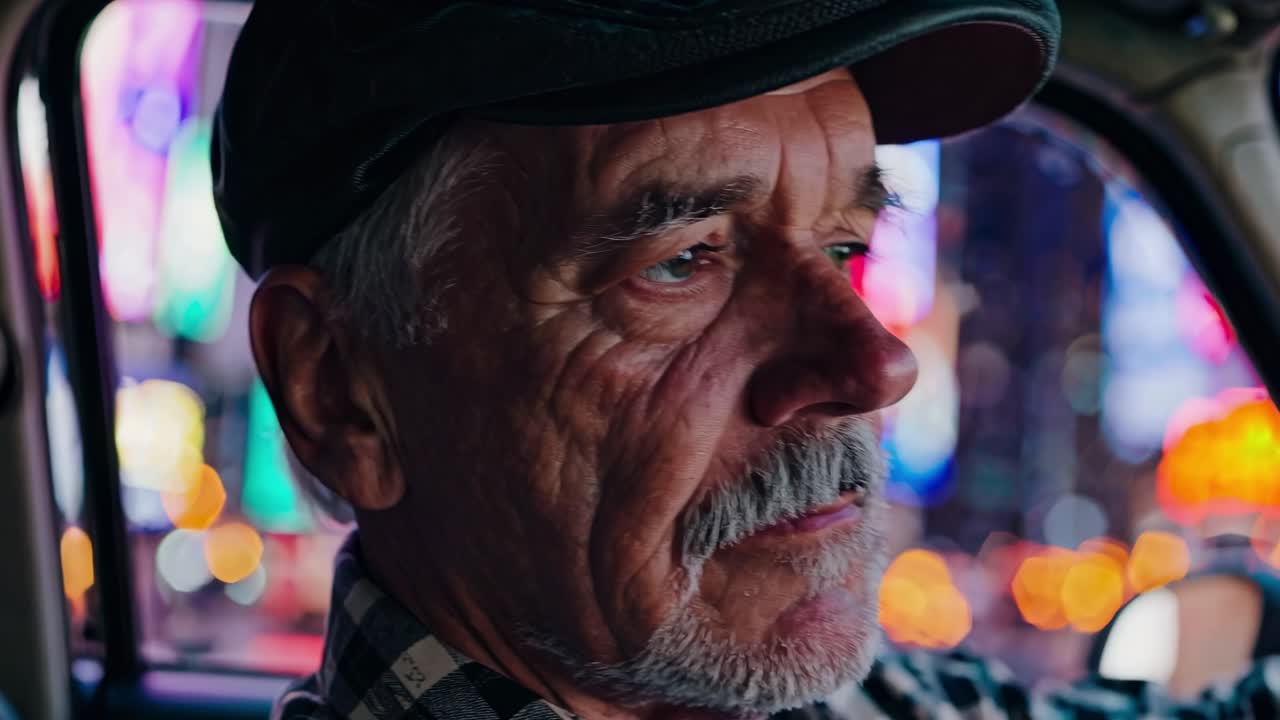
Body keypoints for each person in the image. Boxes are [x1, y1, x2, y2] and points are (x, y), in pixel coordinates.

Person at [211, 1, 1280, 718]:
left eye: (845, 248)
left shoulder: (854, 700)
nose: (874, 365)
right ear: (337, 388)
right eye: (681, 263)